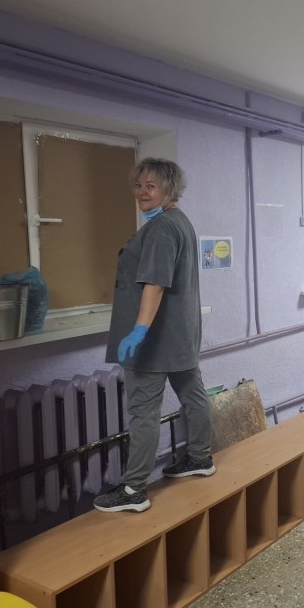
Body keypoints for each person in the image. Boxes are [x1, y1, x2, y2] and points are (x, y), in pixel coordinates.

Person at [94, 158, 215, 513]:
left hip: (155, 341)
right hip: (180, 336)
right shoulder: (180, 222)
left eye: (151, 186)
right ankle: (200, 457)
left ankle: (134, 489)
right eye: (138, 185)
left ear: (169, 189)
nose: (142, 192)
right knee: (193, 395)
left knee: (143, 411)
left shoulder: (162, 228)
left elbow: (156, 284)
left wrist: (139, 330)